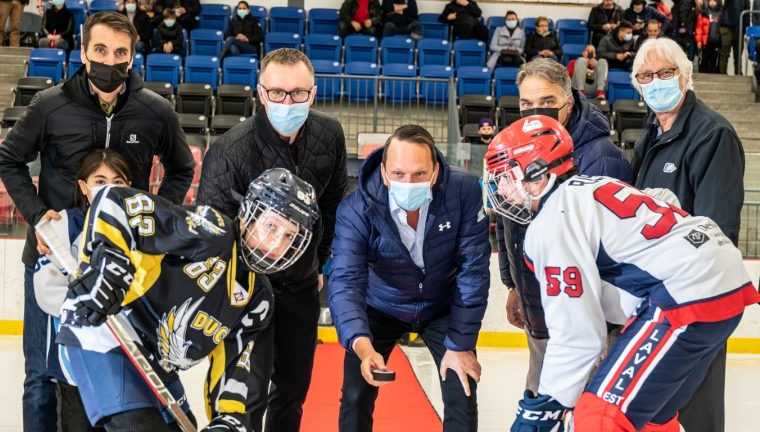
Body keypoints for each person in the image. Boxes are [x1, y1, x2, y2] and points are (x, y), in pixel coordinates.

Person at [485, 115, 760, 432]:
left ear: (536, 174)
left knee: (598, 415)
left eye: (505, 175)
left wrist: (546, 405)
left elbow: (577, 336)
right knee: (651, 419)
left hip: (688, 291)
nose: (499, 187)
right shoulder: (596, 185)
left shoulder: (552, 222)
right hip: (724, 284)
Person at [0, 11, 195, 432]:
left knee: (123, 376)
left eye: (120, 52)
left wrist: (152, 222)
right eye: (100, 50)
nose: (110, 60)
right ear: (84, 52)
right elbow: (8, 159)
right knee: (41, 378)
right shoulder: (49, 105)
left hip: (125, 268)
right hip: (53, 263)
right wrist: (36, 216)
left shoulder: (155, 111)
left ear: (132, 56)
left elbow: (181, 169)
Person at [55, 168, 319, 430]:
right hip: (107, 329)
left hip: (156, 365)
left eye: (289, 236)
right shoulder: (211, 230)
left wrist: (230, 421)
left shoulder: (258, 298)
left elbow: (236, 366)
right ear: (246, 218)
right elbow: (113, 198)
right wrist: (108, 262)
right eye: (271, 226)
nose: (276, 243)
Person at [196, 48, 348, 432]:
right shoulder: (229, 150)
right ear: (261, 94)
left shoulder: (330, 134)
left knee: (293, 390)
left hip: (300, 287)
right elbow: (210, 229)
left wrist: (318, 260)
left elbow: (331, 203)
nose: (288, 101)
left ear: (313, 94)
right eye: (277, 92)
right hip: (245, 290)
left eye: (298, 93)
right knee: (245, 394)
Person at [328, 124, 490, 432]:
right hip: (381, 305)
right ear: (385, 173)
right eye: (399, 174)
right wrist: (363, 348)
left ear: (435, 171)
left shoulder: (464, 190)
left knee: (462, 390)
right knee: (354, 395)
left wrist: (461, 344)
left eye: (419, 174)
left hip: (441, 306)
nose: (409, 181)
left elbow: (474, 270)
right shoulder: (356, 208)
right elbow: (345, 282)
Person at [630, 37, 746, 432]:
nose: (656, 82)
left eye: (666, 73)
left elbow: (716, 231)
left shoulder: (712, 134)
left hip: (697, 299)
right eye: (647, 75)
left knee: (696, 409)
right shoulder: (651, 134)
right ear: (636, 84)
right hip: (657, 297)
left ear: (686, 76)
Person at [498, 57, 631, 395]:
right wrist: (513, 285)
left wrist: (602, 328)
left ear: (568, 101)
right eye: (526, 104)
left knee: (581, 411)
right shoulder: (518, 148)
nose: (535, 111)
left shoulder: (602, 157)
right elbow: (509, 219)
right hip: (540, 308)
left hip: (582, 321)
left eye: (547, 102)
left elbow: (611, 251)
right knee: (541, 401)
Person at [33, 149, 133, 432]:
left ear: (129, 187)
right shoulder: (61, 225)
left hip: (127, 359)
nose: (109, 188)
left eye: (118, 181)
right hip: (76, 361)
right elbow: (47, 289)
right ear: (83, 186)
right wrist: (94, 313)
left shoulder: (143, 228)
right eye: (100, 181)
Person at [718, 0, 750, 75]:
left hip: (739, 28)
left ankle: (738, 74)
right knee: (725, 53)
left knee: (738, 55)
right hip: (727, 26)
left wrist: (745, 29)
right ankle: (722, 75)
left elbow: (747, 12)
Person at [695, 0, 722, 73]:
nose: (712, 2)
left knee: (714, 60)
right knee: (704, 60)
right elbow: (699, 28)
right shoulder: (703, 13)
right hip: (705, 41)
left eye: (714, 0)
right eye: (711, 0)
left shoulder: (721, 13)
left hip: (716, 41)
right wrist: (698, 41)